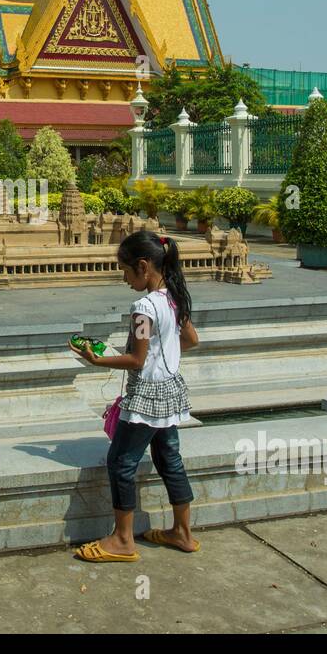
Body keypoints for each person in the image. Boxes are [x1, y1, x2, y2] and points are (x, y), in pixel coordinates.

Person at [69, 230, 200, 561]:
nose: (125, 279)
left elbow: (136, 360)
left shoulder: (143, 307)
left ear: (143, 266)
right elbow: (191, 339)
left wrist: (96, 359)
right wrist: (164, 349)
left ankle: (123, 540)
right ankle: (183, 533)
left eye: (126, 272)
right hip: (171, 390)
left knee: (120, 461)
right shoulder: (174, 297)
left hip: (147, 397)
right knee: (169, 459)